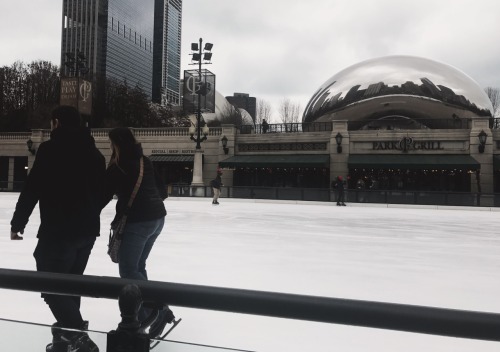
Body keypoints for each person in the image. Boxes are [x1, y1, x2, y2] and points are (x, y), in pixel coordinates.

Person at [10, 105, 105, 352]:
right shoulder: (95, 154)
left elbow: (33, 188)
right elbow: (102, 192)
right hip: (87, 231)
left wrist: (18, 223)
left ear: (57, 123)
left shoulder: (50, 150)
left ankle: (80, 339)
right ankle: (66, 337)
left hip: (58, 229)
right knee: (71, 284)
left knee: (51, 285)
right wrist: (89, 213)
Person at [102, 127, 174, 338]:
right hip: (157, 219)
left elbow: (101, 195)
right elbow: (162, 191)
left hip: (138, 222)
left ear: (115, 144)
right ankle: (150, 313)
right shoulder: (145, 161)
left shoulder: (118, 166)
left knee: (128, 271)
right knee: (138, 267)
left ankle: (156, 313)